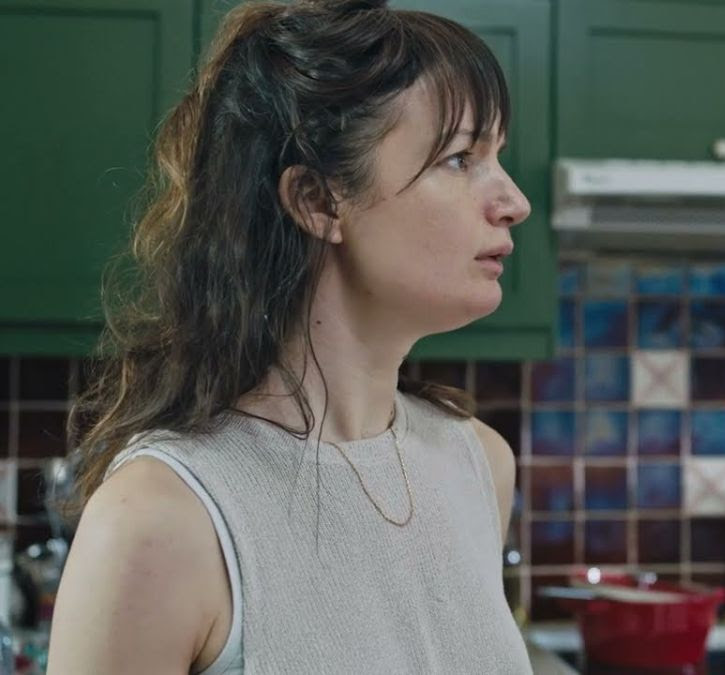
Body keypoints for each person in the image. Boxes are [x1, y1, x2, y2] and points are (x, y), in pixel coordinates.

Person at [46, 0, 533, 672]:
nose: (513, 200)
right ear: (318, 200)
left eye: (496, 155)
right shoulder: (157, 522)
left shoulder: (480, 466)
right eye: (459, 158)